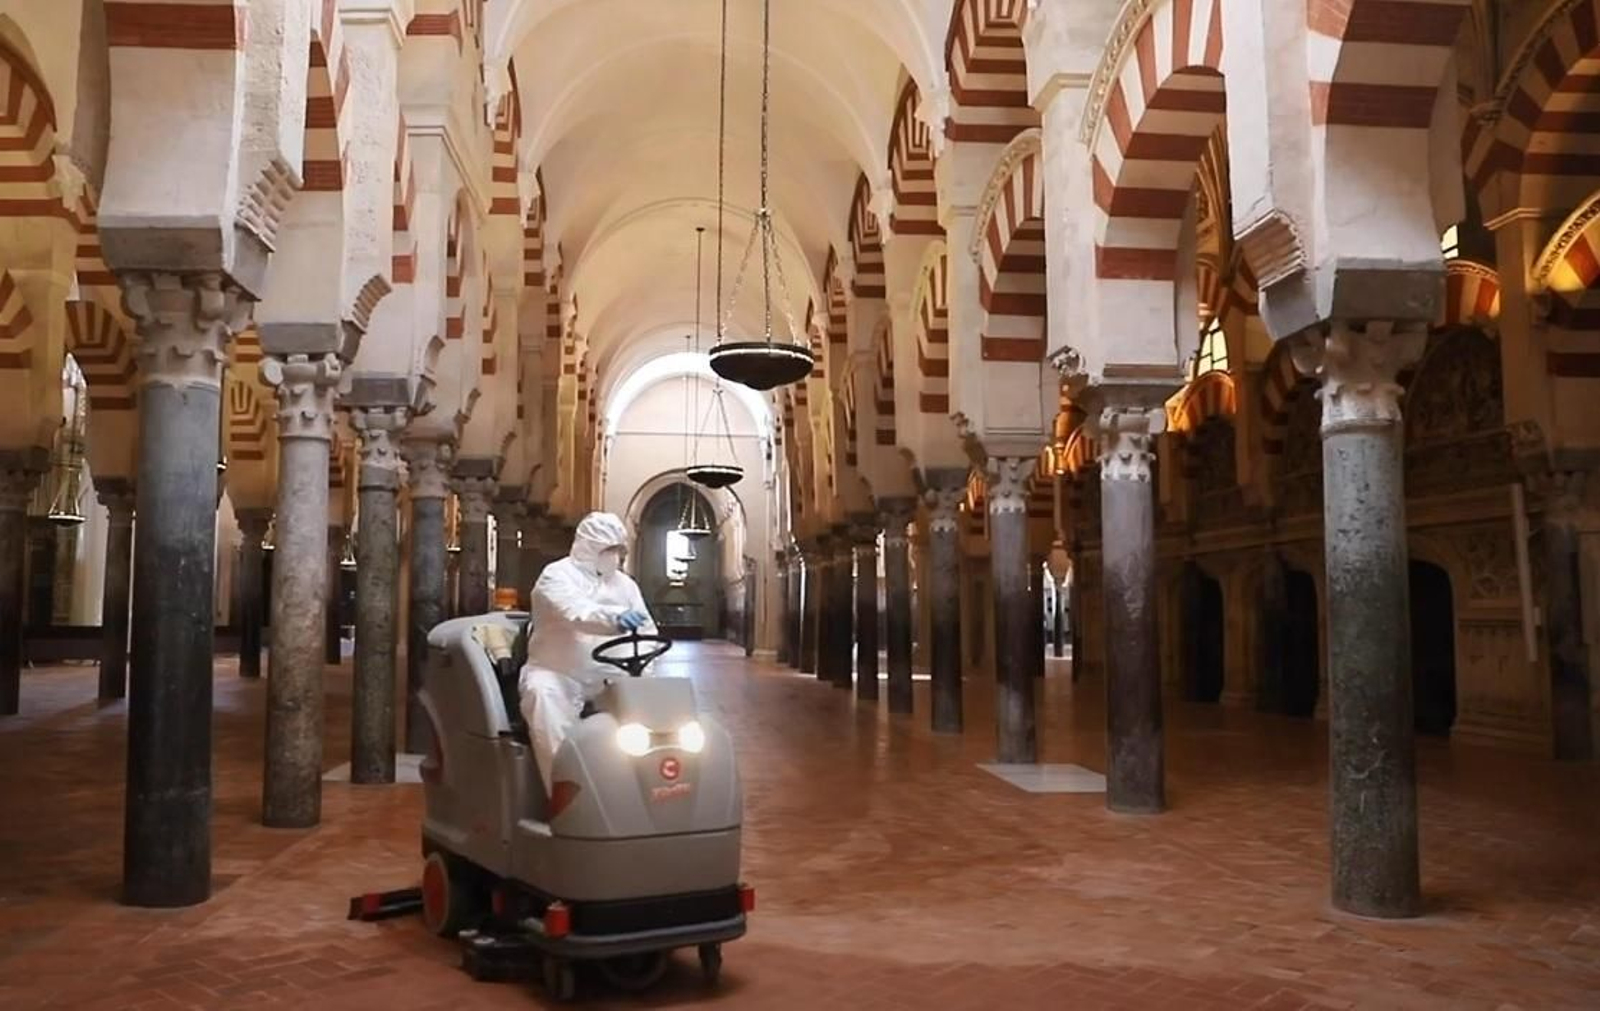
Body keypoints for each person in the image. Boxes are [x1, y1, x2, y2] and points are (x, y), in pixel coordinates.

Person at [518, 511, 656, 793]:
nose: (614, 556)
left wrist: (644, 668)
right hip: (557, 672)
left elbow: (647, 631)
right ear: (589, 547)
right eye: (608, 549)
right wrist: (615, 618)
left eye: (619, 550)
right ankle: (565, 794)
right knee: (544, 701)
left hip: (608, 676)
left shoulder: (625, 585)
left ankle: (636, 791)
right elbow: (575, 612)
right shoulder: (556, 576)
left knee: (646, 721)